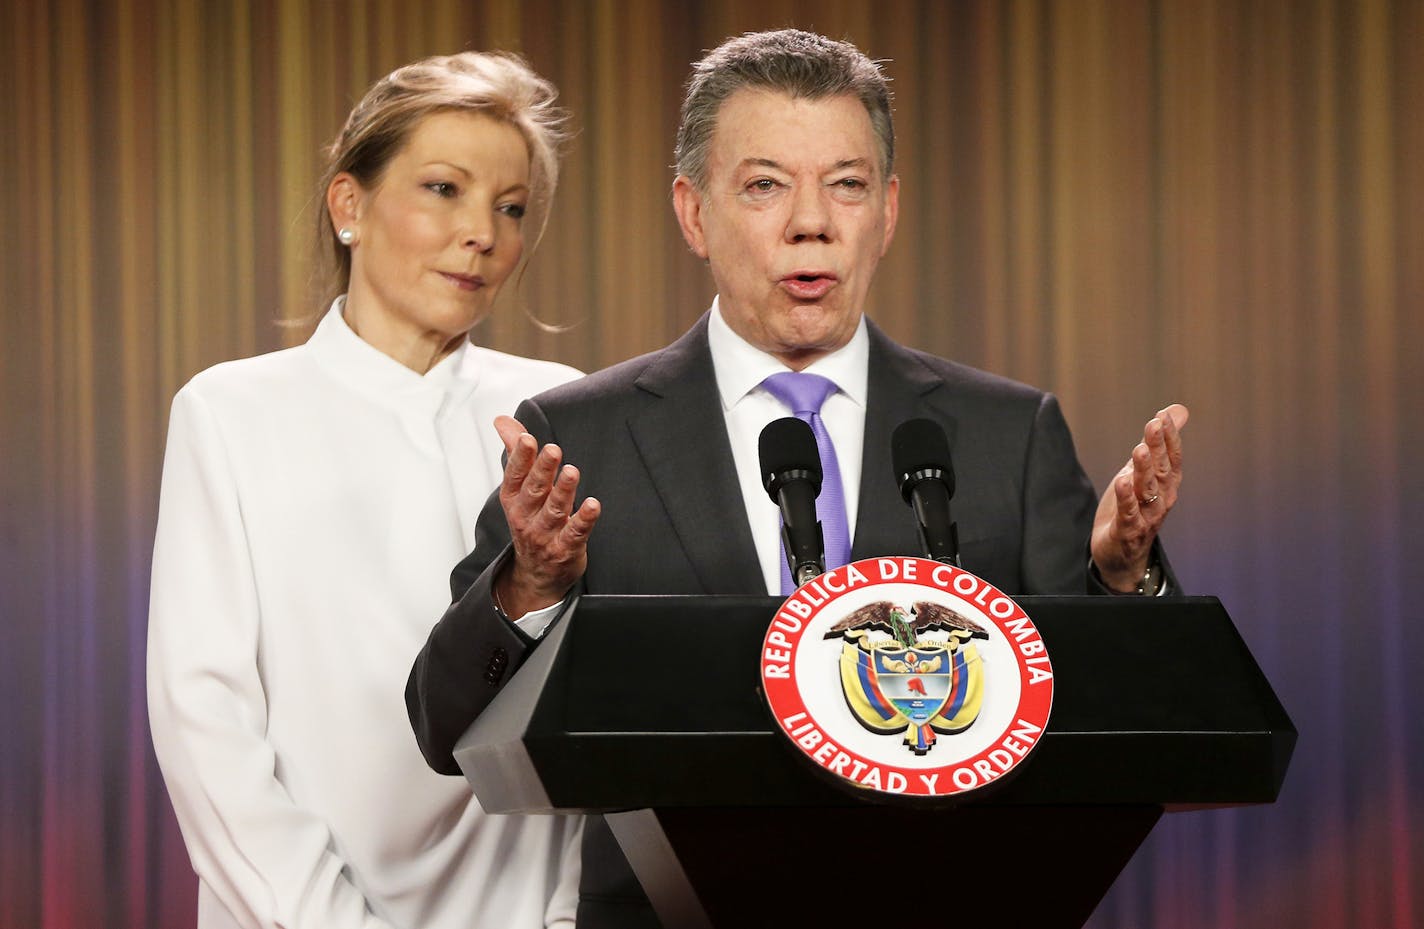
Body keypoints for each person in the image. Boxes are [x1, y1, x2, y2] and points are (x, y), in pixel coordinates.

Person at [406, 29, 1188, 929]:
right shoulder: (582, 440)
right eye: (766, 185)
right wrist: (533, 585)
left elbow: (1132, 719)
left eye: (846, 184)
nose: (810, 222)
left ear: (887, 212)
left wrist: (1121, 579)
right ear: (694, 213)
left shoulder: (1006, 433)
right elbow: (445, 727)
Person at [148, 52, 585, 929]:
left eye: (509, 208)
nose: (483, 234)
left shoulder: (560, 407)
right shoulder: (231, 411)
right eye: (443, 189)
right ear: (350, 205)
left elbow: (584, 705)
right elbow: (205, 720)